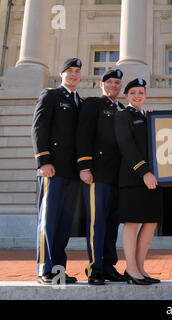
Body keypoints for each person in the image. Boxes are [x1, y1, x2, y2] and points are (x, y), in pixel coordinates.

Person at [31, 58, 83, 285]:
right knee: (49, 219)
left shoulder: (79, 101)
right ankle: (45, 269)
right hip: (53, 169)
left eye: (77, 71)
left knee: (64, 223)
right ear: (62, 74)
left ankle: (58, 271)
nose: (73, 75)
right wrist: (43, 161)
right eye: (70, 71)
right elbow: (39, 127)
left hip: (72, 172)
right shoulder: (50, 96)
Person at [76, 69, 126, 285]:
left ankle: (108, 266)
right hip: (98, 173)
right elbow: (83, 135)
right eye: (110, 82)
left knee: (113, 222)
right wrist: (84, 166)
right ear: (101, 84)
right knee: (97, 222)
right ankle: (95, 268)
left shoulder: (123, 109)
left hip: (118, 176)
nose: (114, 86)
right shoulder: (93, 104)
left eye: (117, 83)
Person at [114, 78, 162, 285]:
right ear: (126, 96)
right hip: (134, 177)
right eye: (133, 92)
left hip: (153, 178)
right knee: (132, 222)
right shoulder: (122, 115)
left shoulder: (148, 117)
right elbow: (126, 145)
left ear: (145, 96)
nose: (137, 96)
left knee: (150, 222)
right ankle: (131, 270)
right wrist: (144, 172)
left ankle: (140, 268)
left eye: (140, 92)